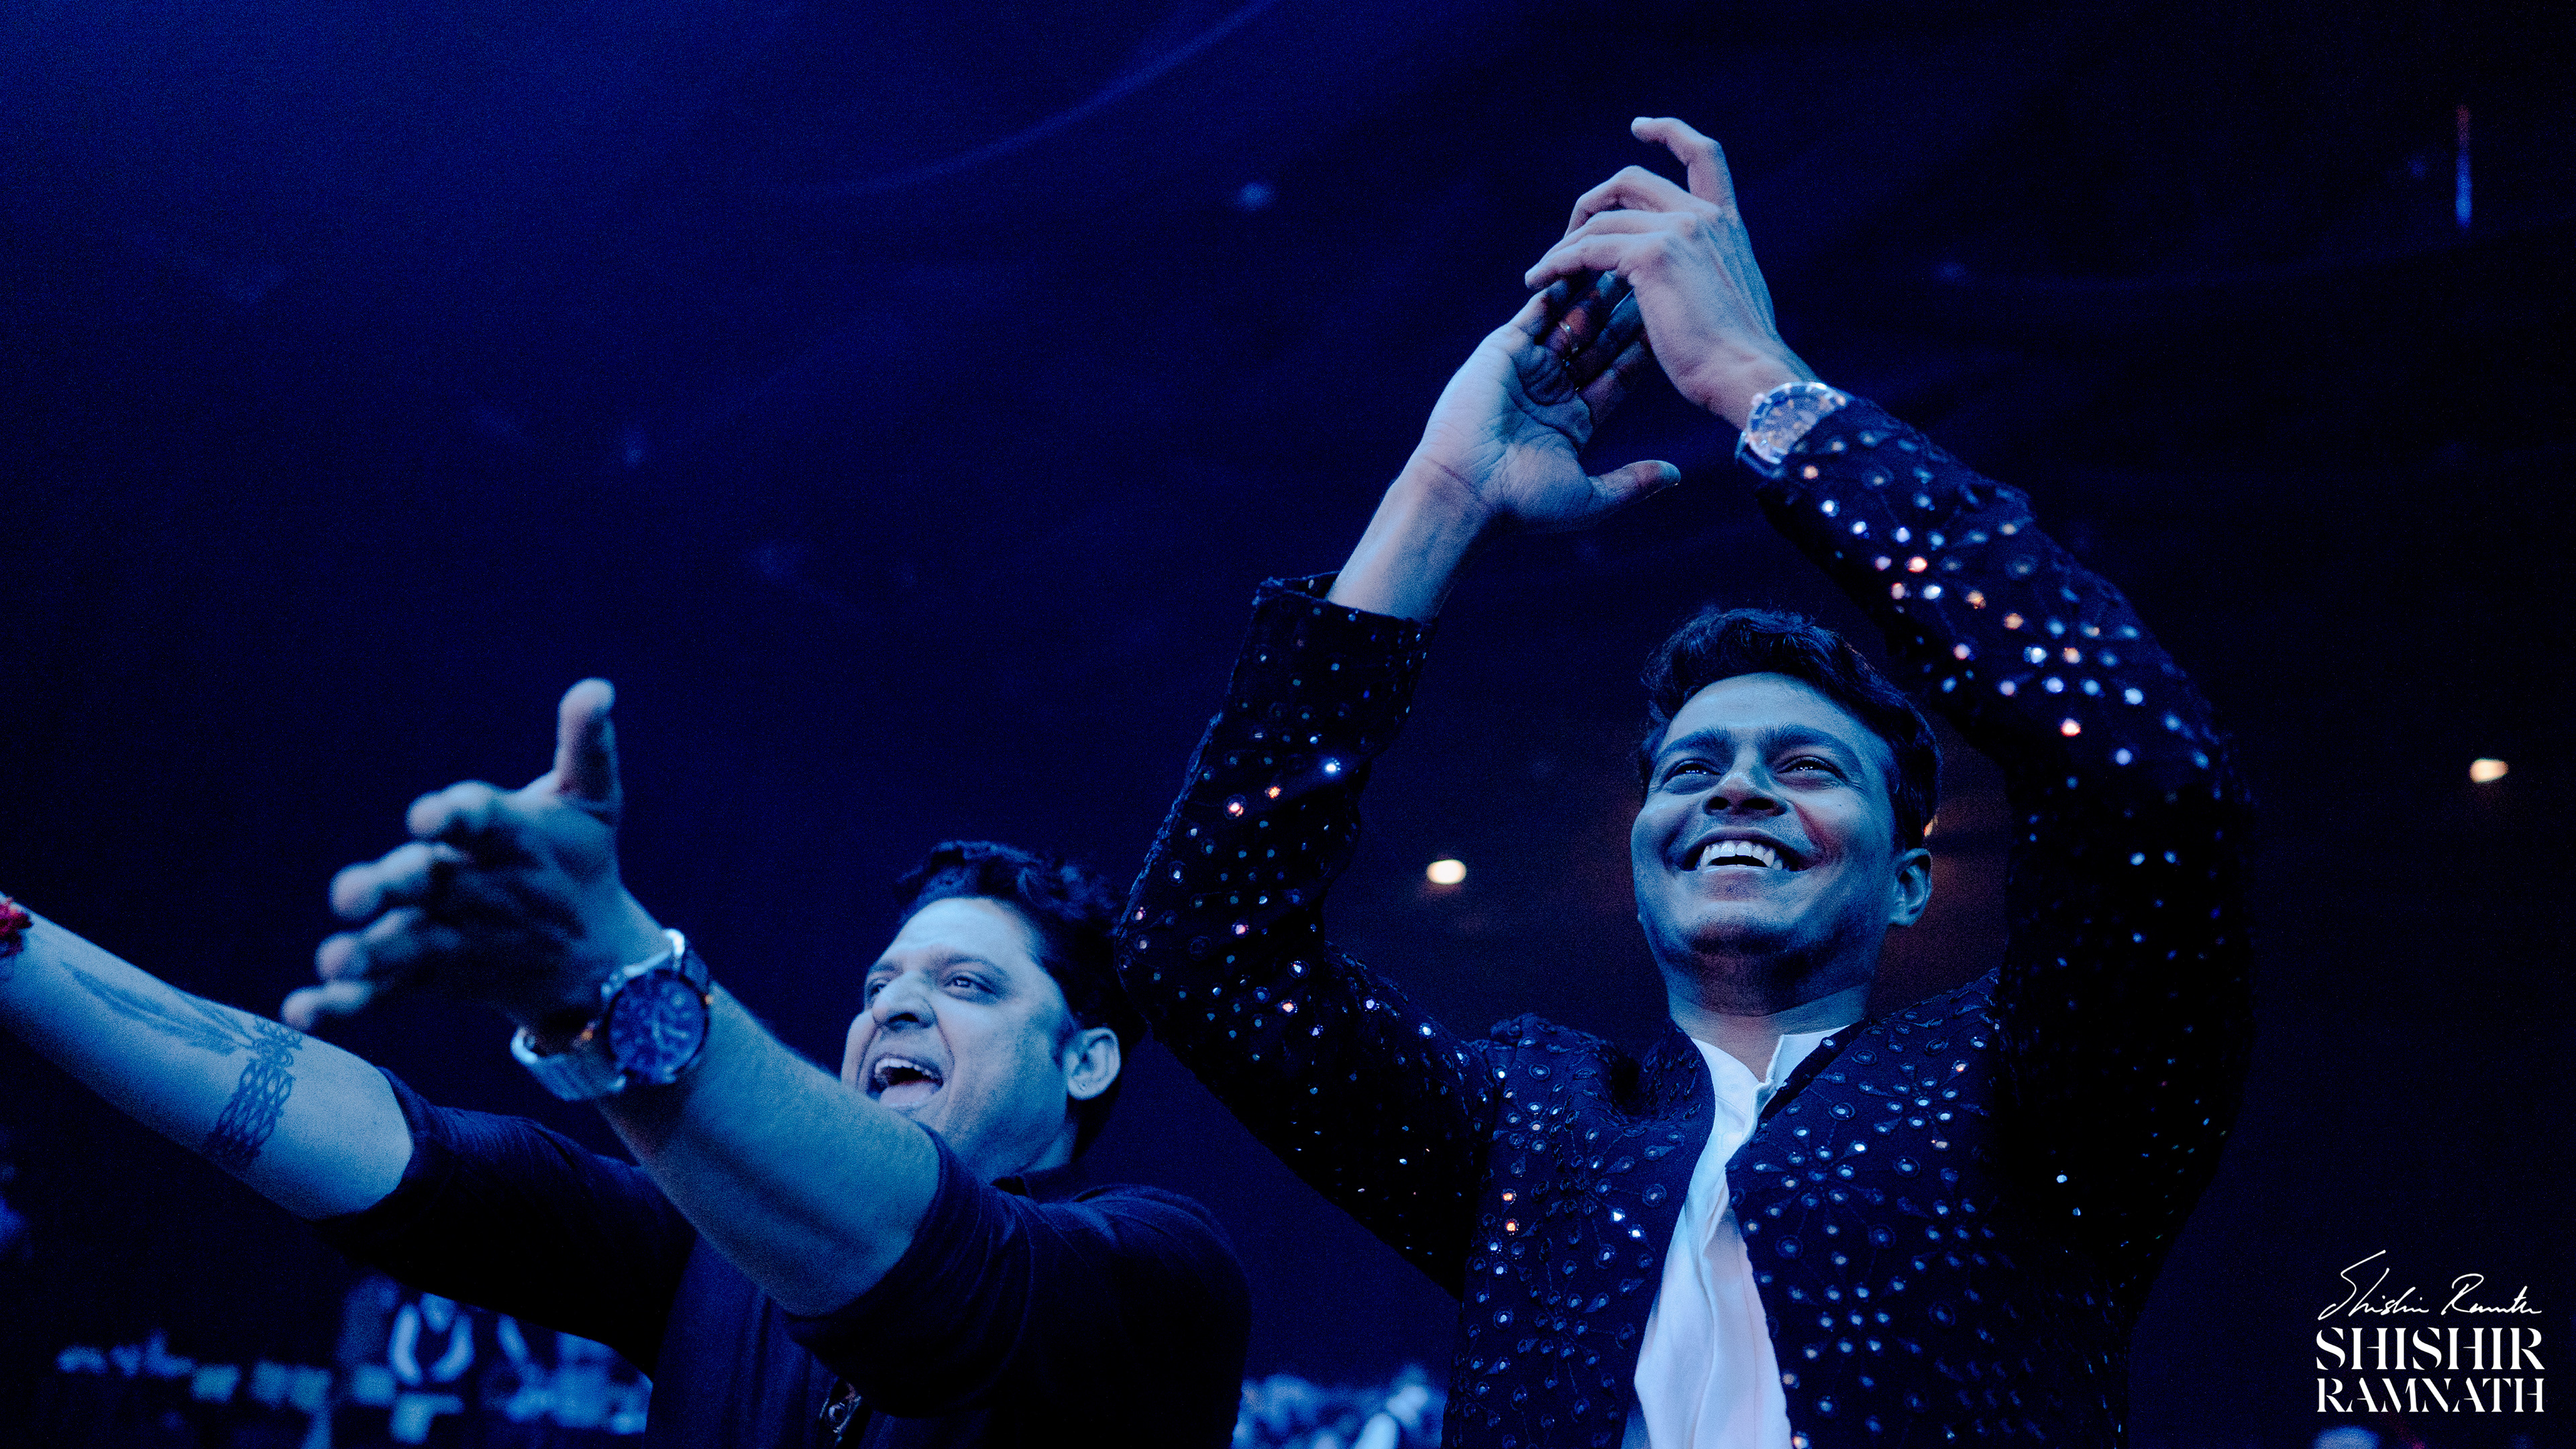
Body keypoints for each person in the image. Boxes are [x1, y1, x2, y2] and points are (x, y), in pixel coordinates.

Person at [1116, 116, 2250, 1447]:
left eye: (1807, 765)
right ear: (1644, 851)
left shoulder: (2031, 1087)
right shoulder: (1527, 1127)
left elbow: (2148, 772)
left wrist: (1757, 385)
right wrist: (1439, 495)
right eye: (1693, 768)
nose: (1736, 790)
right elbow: (1203, 945)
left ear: (1909, 881)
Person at [0, 690, 1249, 1447]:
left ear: (1085, 1060)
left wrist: (618, 982)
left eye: (967, 984)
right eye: (879, 988)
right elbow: (391, 1151)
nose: (898, 1006)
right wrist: (10, 950)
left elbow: (944, 1273)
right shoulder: (711, 1263)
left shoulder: (1159, 1273)